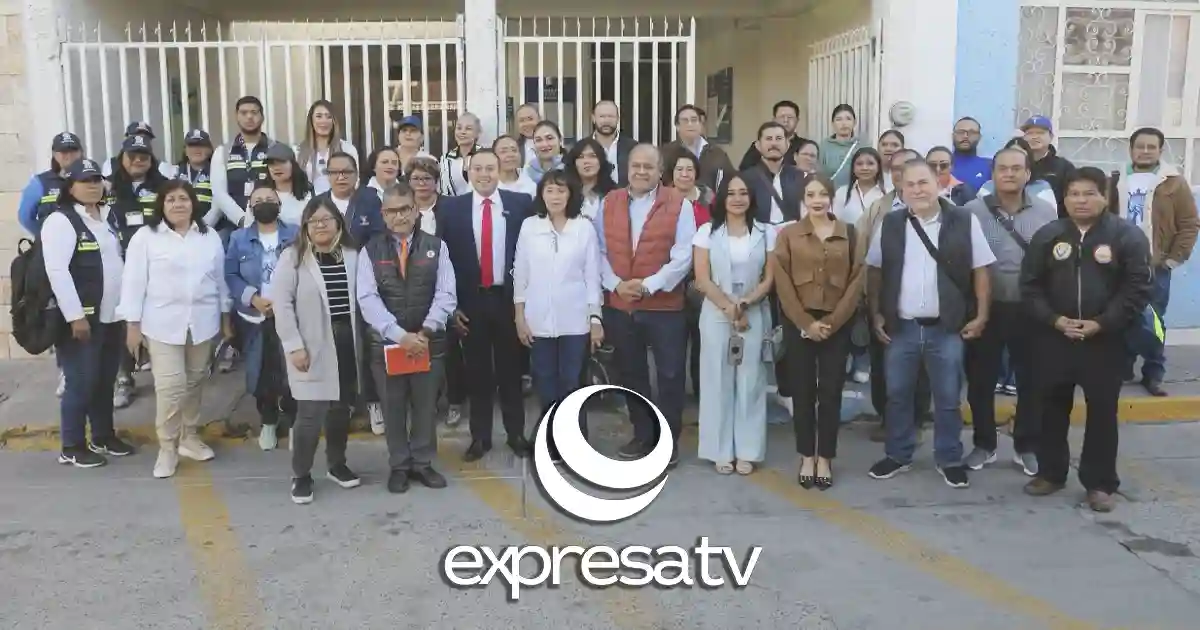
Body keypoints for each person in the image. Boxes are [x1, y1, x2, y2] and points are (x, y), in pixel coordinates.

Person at [1021, 167, 1152, 513]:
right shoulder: (1049, 235)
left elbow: (1137, 288)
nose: (1081, 200)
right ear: (1064, 199)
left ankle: (1100, 483)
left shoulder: (1127, 236)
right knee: (1051, 408)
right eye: (1074, 194)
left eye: (1089, 193)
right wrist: (1054, 320)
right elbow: (1030, 286)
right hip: (1055, 338)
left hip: (1105, 341)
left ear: (1104, 196)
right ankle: (1051, 473)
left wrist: (1102, 323)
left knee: (1102, 413)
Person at [866, 158, 995, 489]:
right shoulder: (891, 223)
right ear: (901, 189)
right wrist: (876, 312)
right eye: (909, 184)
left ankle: (949, 458)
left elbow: (981, 269)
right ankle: (898, 454)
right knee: (898, 395)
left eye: (923, 182)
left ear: (938, 182)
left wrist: (981, 315)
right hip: (902, 327)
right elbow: (875, 270)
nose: (917, 190)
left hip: (947, 327)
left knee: (948, 398)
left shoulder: (963, 220)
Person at [119, 180, 232, 478]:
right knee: (170, 388)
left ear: (193, 203)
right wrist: (132, 326)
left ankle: (188, 438)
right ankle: (167, 448)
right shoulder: (146, 237)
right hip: (162, 325)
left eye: (183, 198)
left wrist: (226, 317)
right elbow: (133, 283)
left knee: (195, 382)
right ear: (161, 205)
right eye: (171, 199)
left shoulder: (209, 236)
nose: (178, 204)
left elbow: (220, 280)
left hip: (202, 323)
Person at [596, 143, 697, 465]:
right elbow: (598, 250)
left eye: (648, 167)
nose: (641, 172)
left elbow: (683, 256)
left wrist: (648, 286)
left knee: (670, 376)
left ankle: (667, 441)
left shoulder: (679, 204)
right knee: (632, 375)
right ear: (627, 169)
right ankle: (642, 435)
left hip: (665, 308)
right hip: (621, 305)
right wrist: (616, 284)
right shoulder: (609, 201)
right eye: (636, 166)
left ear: (660, 171)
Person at [962, 147, 1058, 476]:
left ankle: (1025, 445)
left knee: (1031, 381)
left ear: (1028, 174)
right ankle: (984, 444)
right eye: (1002, 168)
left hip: (1031, 310)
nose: (1009, 173)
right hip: (985, 309)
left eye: (1017, 168)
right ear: (993, 174)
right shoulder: (972, 211)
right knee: (980, 380)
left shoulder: (1046, 213)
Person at [358, 181, 457, 493]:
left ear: (416, 211)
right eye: (392, 211)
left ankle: (423, 463)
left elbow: (446, 294)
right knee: (393, 408)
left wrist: (425, 332)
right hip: (388, 345)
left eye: (405, 209)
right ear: (383, 214)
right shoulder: (369, 250)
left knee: (426, 407)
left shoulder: (437, 246)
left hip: (427, 342)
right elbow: (367, 299)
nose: (399, 216)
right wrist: (400, 336)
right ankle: (399, 465)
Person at [438, 149, 535, 461]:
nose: (484, 174)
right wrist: (452, 306)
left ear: (499, 170)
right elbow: (443, 261)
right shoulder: (451, 208)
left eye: (490, 168)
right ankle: (480, 437)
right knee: (477, 373)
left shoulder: (520, 204)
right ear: (468, 172)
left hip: (508, 300)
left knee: (511, 371)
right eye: (477, 168)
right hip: (470, 302)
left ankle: (516, 434)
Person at [269, 197, 364, 504]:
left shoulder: (353, 255)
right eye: (314, 221)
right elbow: (281, 305)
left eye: (327, 219)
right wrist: (293, 346)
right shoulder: (293, 257)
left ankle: (337, 464)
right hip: (310, 344)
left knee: (340, 409)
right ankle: (301, 474)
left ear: (339, 223)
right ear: (305, 227)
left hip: (347, 341)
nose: (321, 225)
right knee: (310, 414)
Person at [775, 173, 865, 489]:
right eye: (811, 194)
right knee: (802, 392)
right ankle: (806, 456)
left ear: (831, 198)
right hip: (799, 321)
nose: (817, 200)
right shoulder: (788, 235)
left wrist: (832, 322)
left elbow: (857, 280)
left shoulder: (849, 233)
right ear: (803, 199)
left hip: (835, 323)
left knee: (830, 392)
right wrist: (805, 323)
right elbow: (782, 281)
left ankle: (825, 457)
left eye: (822, 194)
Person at [42, 158, 133, 468]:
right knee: (81, 381)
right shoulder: (61, 221)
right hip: (82, 319)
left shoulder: (107, 216)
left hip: (112, 315)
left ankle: (103, 436)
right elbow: (57, 272)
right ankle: (71, 445)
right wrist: (75, 316)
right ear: (70, 187)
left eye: (96, 180)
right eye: (85, 181)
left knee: (104, 380)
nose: (93, 185)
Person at [514, 171, 604, 462]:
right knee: (545, 383)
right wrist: (519, 316)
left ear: (571, 195)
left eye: (561, 191)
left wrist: (595, 318)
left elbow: (592, 276)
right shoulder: (530, 226)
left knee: (572, 383)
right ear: (541, 194)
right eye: (550, 190)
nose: (555, 196)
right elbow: (521, 273)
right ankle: (550, 441)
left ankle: (575, 445)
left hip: (575, 321)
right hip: (538, 321)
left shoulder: (583, 228)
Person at [693, 174, 774, 475]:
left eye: (743, 193)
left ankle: (748, 451)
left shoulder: (766, 232)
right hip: (717, 313)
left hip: (752, 312)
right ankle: (720, 450)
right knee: (717, 381)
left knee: (750, 382)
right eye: (731, 193)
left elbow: (769, 278)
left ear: (751, 197)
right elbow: (702, 278)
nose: (737, 199)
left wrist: (746, 303)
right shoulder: (706, 232)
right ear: (721, 198)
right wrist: (729, 307)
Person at [857, 149, 932, 441]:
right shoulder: (880, 208)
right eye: (897, 169)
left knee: (921, 367)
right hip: (886, 299)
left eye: (908, 167)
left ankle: (917, 420)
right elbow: (864, 252)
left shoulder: (944, 209)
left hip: (926, 303)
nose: (902, 174)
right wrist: (868, 297)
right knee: (882, 364)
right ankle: (886, 419)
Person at [1117, 127, 1198, 396]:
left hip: (1155, 265)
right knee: (1121, 317)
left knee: (1153, 322)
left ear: (1160, 150)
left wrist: (1174, 259)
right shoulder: (1116, 179)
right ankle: (1123, 368)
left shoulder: (1173, 182)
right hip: (1120, 264)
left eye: (1151, 147)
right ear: (1131, 149)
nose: (1145, 151)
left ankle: (1153, 373)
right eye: (1140, 146)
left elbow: (1189, 223)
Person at [226, 184, 299, 451]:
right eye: (258, 200)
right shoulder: (238, 238)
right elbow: (231, 274)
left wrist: (287, 301)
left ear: (279, 204)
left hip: (291, 314)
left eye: (270, 198)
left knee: (293, 371)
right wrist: (253, 298)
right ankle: (268, 421)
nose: (265, 203)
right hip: (255, 318)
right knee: (261, 374)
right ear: (250, 206)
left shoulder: (296, 233)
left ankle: (294, 422)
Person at [107, 132, 170, 408]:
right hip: (119, 262)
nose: (138, 160)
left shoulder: (164, 186)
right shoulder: (106, 186)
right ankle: (124, 377)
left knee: (158, 316)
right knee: (126, 320)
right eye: (132, 155)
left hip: (157, 262)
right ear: (122, 157)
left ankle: (164, 374)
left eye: (143, 156)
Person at [211, 96, 273, 235]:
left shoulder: (275, 149)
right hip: (233, 228)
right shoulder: (223, 152)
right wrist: (243, 220)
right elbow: (219, 193)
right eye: (244, 113)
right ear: (236, 117)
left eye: (254, 112)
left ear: (262, 117)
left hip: (270, 225)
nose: (249, 117)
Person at [18, 132, 84, 236]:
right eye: (64, 151)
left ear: (81, 152)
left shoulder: (93, 179)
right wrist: (44, 235)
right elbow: (25, 218)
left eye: (73, 151)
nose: (69, 155)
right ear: (54, 154)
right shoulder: (40, 182)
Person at [661, 104, 735, 193]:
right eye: (685, 121)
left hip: (709, 201)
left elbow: (731, 182)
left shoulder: (717, 153)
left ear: (700, 124)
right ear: (677, 126)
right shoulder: (666, 152)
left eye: (694, 120)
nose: (690, 124)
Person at [296, 99, 359, 196]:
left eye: (329, 117)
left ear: (334, 121)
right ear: (311, 120)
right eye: (319, 116)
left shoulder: (347, 149)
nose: (324, 121)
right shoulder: (298, 151)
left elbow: (355, 181)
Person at [1021, 115, 1076, 216]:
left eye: (1040, 133)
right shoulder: (1017, 165)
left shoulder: (1063, 166)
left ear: (1051, 137)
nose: (1034, 137)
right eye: (1030, 133)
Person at [738, 100, 808, 170]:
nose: (785, 120)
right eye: (782, 117)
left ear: (797, 120)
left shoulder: (806, 146)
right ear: (774, 120)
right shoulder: (761, 145)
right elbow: (744, 169)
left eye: (790, 117)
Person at [563, 137, 618, 221]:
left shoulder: (615, 194)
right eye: (581, 157)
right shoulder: (565, 193)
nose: (586, 161)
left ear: (601, 160)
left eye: (592, 156)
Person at [173, 129, 218, 230]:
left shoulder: (217, 171)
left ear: (209, 149)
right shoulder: (174, 172)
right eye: (192, 145)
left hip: (210, 228)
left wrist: (202, 226)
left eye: (201, 145)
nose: (197, 149)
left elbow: (219, 205)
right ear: (185, 150)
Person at [263, 142, 314, 226]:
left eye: (281, 162)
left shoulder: (309, 194)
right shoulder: (261, 196)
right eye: (271, 163)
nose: (276, 167)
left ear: (293, 164)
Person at [590, 100, 639, 186]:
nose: (606, 121)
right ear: (593, 118)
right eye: (602, 116)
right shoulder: (583, 147)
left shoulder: (633, 147)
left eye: (610, 116)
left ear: (618, 119)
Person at [439, 113, 483, 196]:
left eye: (468, 128)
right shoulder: (446, 159)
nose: (462, 132)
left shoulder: (485, 155)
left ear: (477, 133)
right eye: (459, 128)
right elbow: (444, 190)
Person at [819, 104, 861, 188]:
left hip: (855, 193)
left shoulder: (862, 145)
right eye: (839, 119)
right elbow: (818, 175)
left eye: (848, 119)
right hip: (831, 193)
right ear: (832, 123)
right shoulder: (824, 146)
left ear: (854, 122)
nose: (844, 123)